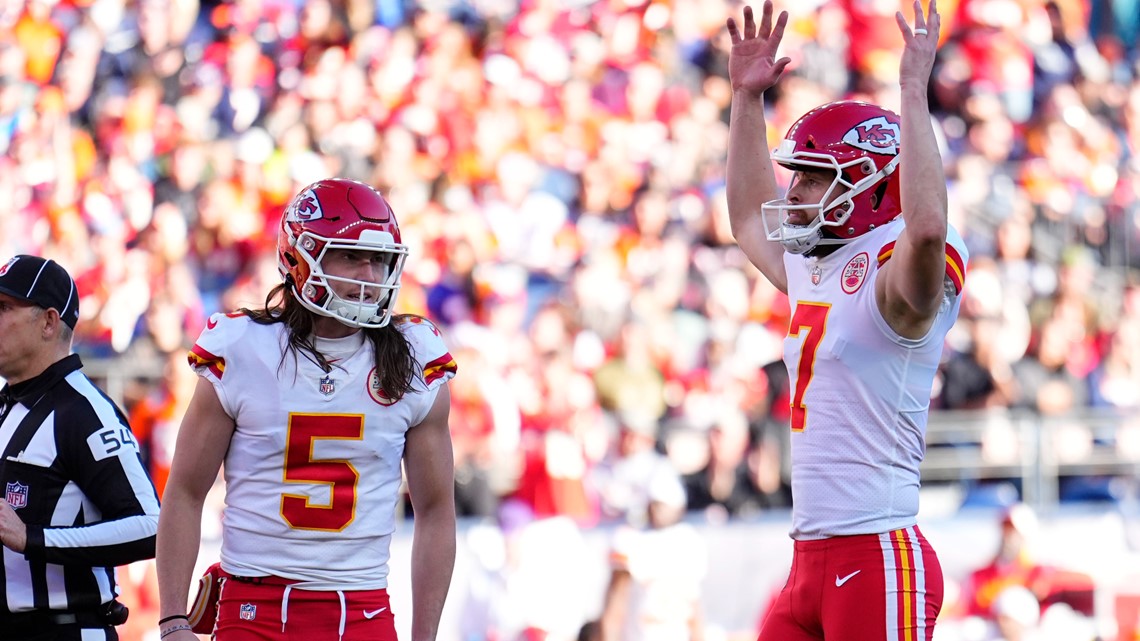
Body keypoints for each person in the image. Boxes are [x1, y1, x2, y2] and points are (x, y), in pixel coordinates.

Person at [724, 2, 968, 640]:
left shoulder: (896, 270)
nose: (795, 193)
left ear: (866, 183)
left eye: (812, 178)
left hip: (878, 555)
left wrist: (913, 93)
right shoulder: (821, 260)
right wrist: (745, 101)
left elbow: (927, 229)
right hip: (808, 560)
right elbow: (749, 219)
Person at [155, 178, 458, 641]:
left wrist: (425, 637)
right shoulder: (243, 348)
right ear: (299, 257)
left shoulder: (415, 355)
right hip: (253, 604)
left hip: (362, 609)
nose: (370, 276)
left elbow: (436, 510)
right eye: (351, 256)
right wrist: (173, 618)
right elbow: (185, 492)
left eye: (378, 260)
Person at [0, 254, 161, 640]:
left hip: (66, 629)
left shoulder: (84, 412)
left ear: (49, 322)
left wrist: (33, 538)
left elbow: (150, 527)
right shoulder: (7, 406)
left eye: (4, 308)